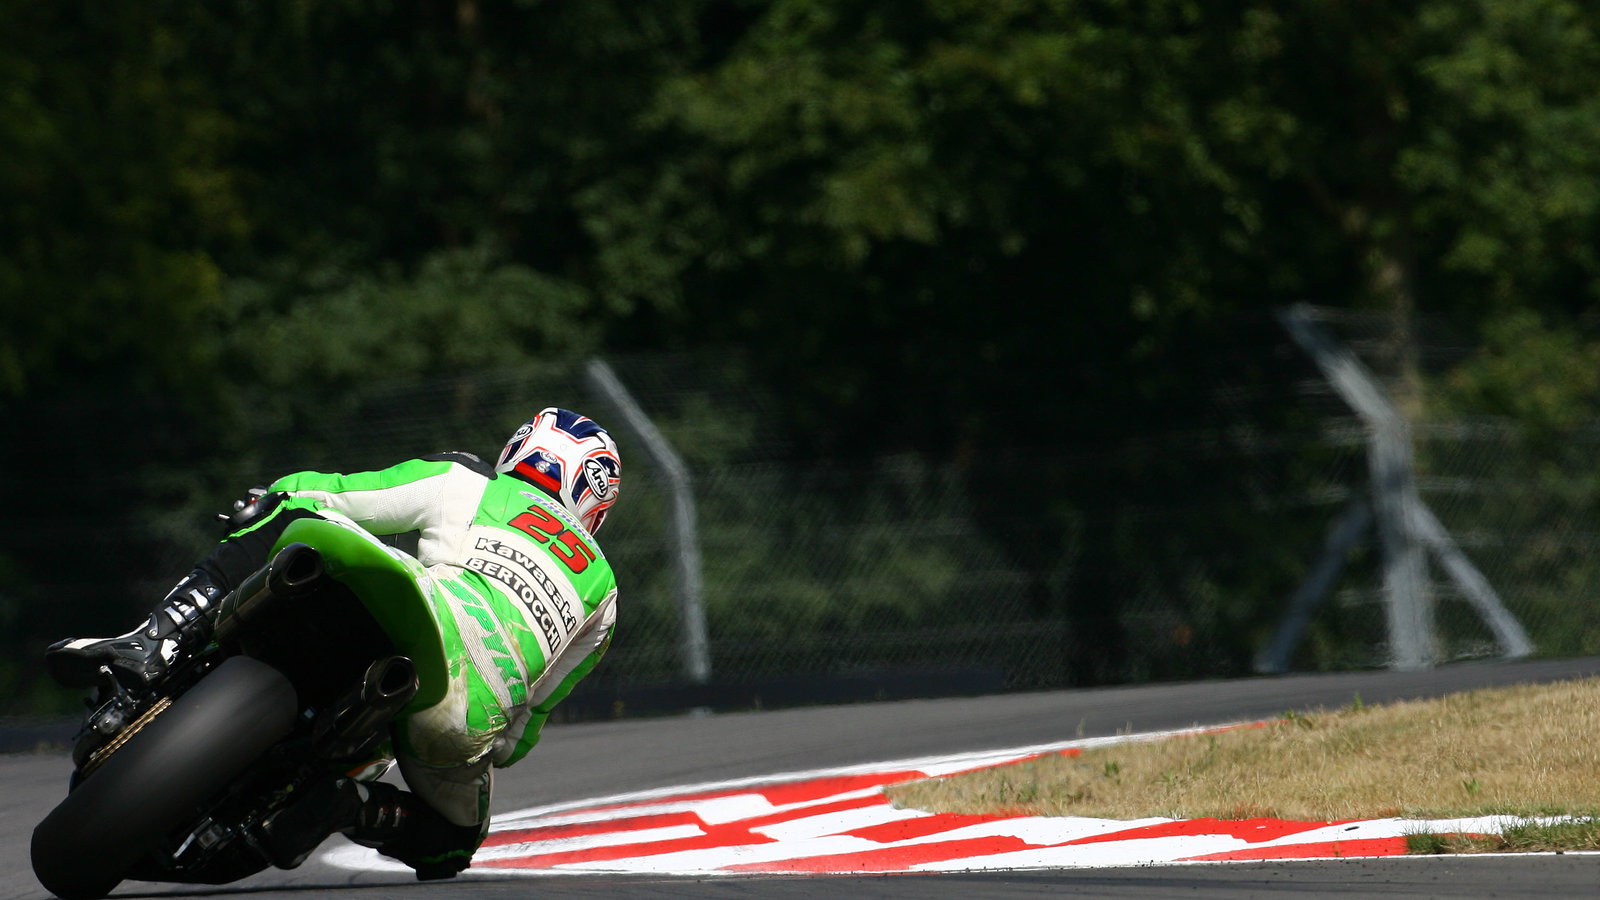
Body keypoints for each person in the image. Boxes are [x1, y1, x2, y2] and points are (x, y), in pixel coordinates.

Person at [46, 407, 622, 879]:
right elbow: (526, 727)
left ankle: (154, 642)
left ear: (519, 451)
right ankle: (350, 806)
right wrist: (486, 751)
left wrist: (267, 502)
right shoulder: (604, 591)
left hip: (421, 603)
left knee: (292, 509)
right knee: (453, 845)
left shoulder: (467, 480)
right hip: (463, 714)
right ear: (594, 499)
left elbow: (337, 495)